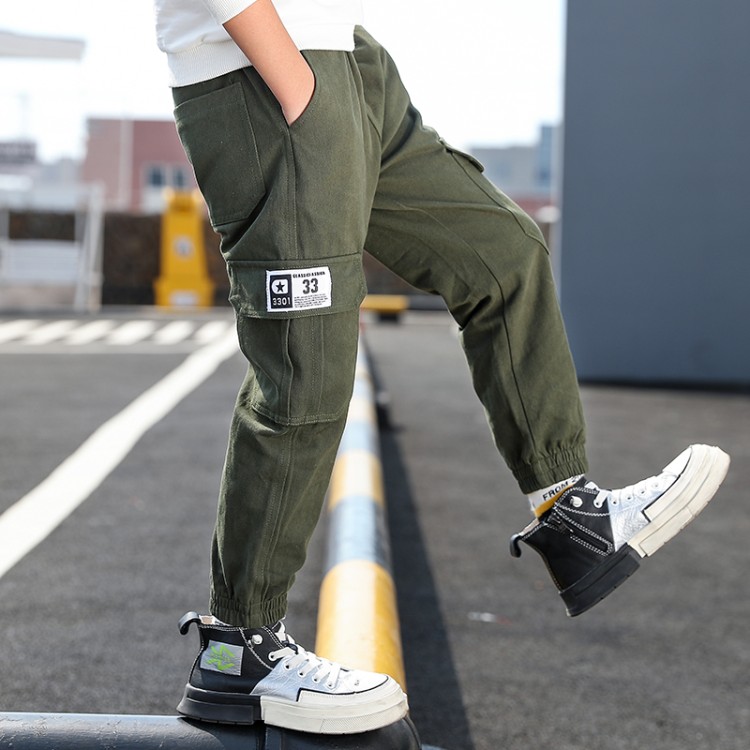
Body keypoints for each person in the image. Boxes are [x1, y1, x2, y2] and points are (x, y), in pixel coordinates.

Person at [153, 0, 730, 736]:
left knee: (501, 256)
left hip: (350, 62)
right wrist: (298, 87)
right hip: (262, 75)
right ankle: (239, 648)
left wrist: (334, 76)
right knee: (305, 372)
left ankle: (572, 517)